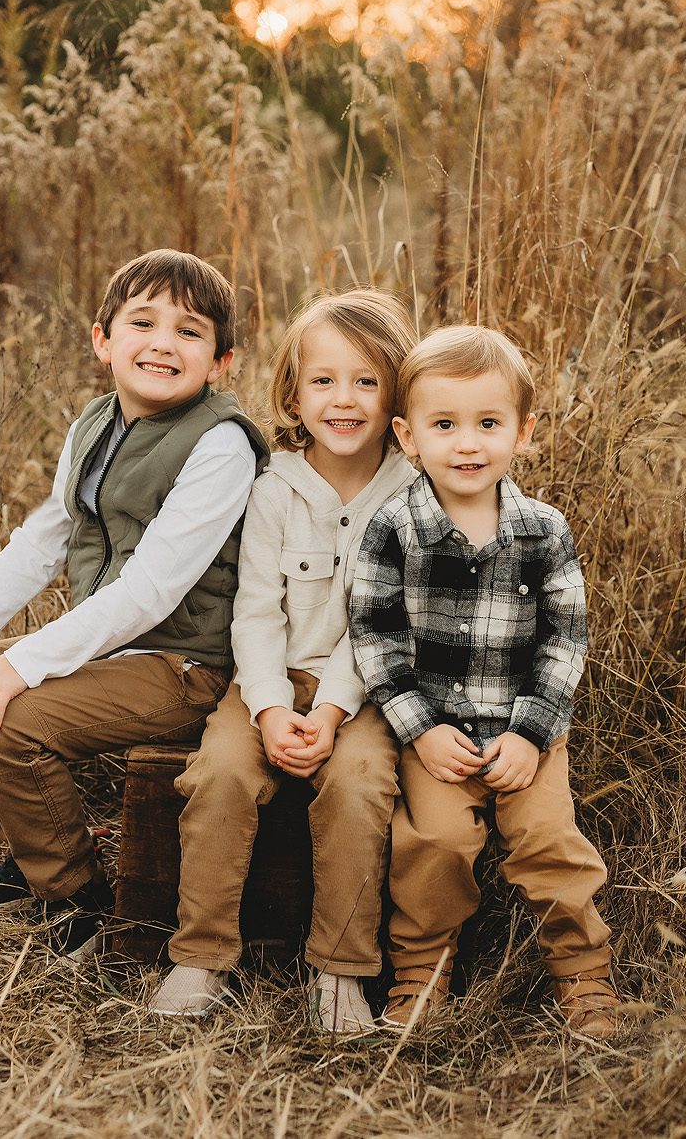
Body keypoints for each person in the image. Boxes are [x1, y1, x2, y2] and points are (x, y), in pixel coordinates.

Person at [0, 249, 268, 960]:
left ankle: (77, 898)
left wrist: (24, 667)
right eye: (142, 321)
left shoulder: (221, 444)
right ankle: (31, 855)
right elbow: (41, 539)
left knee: (7, 720)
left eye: (190, 331)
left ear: (221, 362)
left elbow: (153, 590)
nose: (163, 341)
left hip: (182, 663)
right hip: (114, 648)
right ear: (103, 341)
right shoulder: (95, 425)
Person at [149, 290, 416, 1033]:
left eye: (367, 381)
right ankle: (200, 954)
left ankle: (340, 971)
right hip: (265, 678)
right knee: (222, 772)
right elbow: (255, 612)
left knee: (362, 783)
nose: (344, 399)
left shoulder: (410, 496)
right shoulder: (273, 487)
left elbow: (380, 628)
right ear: (293, 392)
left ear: (396, 392)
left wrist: (328, 713)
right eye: (324, 380)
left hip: (363, 688)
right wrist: (269, 708)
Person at [350, 324, 617, 1037]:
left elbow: (566, 639)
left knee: (549, 842)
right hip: (436, 736)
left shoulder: (544, 531)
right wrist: (422, 731)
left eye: (488, 424)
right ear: (408, 437)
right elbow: (375, 641)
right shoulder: (393, 530)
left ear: (523, 432)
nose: (467, 444)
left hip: (528, 734)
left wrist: (532, 734)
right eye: (445, 425)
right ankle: (422, 979)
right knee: (432, 849)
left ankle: (585, 978)